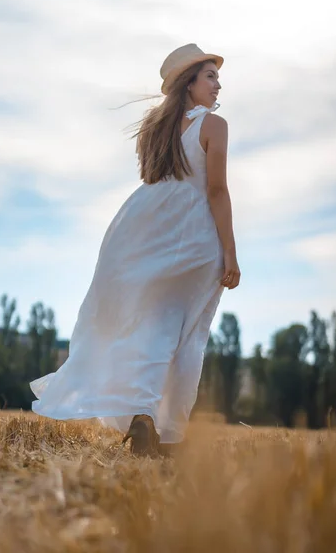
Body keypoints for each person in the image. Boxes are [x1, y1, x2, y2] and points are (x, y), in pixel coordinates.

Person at [30, 43, 240, 457]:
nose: (218, 84)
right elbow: (216, 190)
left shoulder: (153, 130)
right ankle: (172, 436)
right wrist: (230, 253)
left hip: (141, 229)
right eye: (210, 76)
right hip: (194, 236)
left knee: (152, 327)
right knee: (188, 336)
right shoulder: (214, 126)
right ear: (189, 84)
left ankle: (142, 414)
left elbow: (156, 181)